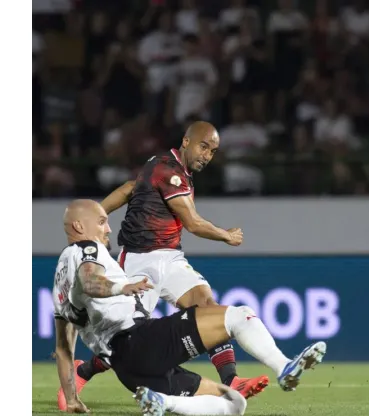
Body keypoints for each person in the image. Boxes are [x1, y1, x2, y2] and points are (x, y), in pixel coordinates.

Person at [54, 200, 327, 415]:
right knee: (239, 315)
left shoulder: (60, 290)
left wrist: (72, 398)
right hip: (141, 341)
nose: (108, 229)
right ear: (79, 226)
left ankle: (162, 402)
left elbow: (64, 349)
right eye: (102, 222)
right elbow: (91, 281)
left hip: (127, 370)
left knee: (234, 404)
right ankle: (283, 367)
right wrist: (120, 287)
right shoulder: (86, 248)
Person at [58, 121, 260, 410]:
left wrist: (97, 214)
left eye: (213, 151)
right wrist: (226, 235)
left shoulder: (177, 172)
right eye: (204, 147)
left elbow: (130, 188)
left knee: (206, 304)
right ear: (186, 141)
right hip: (139, 259)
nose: (207, 155)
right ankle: (83, 371)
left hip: (170, 257)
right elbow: (191, 222)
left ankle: (232, 380)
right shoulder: (164, 166)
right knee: (127, 336)